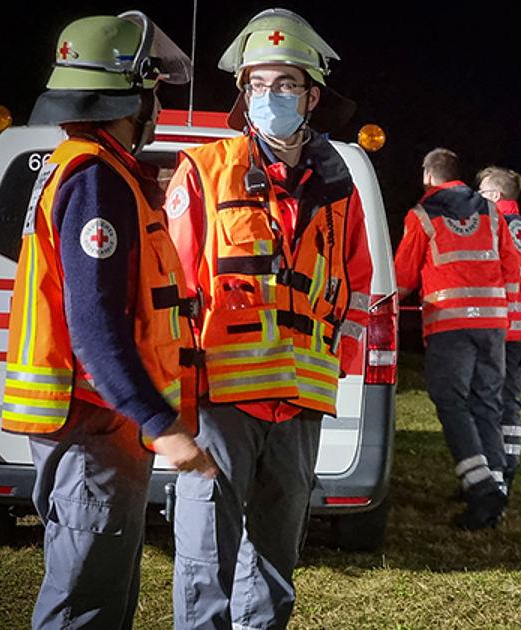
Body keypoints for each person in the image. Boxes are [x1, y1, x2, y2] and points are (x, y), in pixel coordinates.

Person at [2, 12, 217, 629]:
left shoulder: (87, 168)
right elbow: (95, 327)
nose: (157, 107)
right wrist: (162, 424)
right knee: (83, 608)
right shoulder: (97, 180)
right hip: (92, 429)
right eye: (155, 91)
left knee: (100, 596)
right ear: (131, 94)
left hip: (94, 428)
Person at [164, 8, 372, 628]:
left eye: (285, 84)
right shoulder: (204, 171)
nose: (270, 95)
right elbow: (173, 290)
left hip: (301, 400)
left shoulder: (339, 186)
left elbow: (357, 287)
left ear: (312, 96)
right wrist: (177, 397)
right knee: (207, 557)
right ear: (243, 92)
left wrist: (338, 364)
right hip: (221, 399)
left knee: (277, 561)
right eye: (257, 84)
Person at [394, 148, 520, 530]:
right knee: (488, 403)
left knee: (450, 401)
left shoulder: (422, 215)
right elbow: (511, 266)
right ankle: (495, 490)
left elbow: (402, 279)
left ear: (428, 176)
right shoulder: (491, 212)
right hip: (493, 324)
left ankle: (481, 488)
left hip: (450, 325)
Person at [477, 166, 521, 494]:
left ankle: (493, 476)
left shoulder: (495, 226)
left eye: (482, 192)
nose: (477, 198)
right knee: (510, 402)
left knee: (487, 403)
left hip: (500, 328)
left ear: (496, 196)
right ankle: (507, 468)